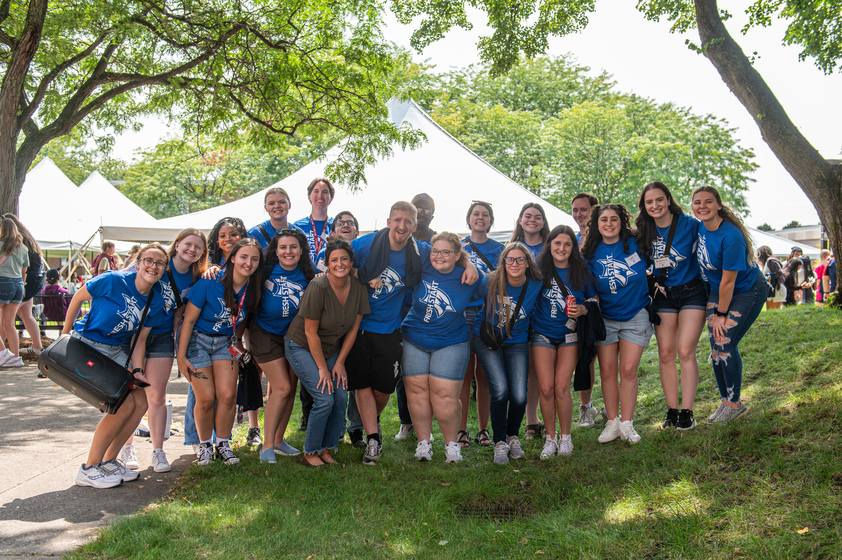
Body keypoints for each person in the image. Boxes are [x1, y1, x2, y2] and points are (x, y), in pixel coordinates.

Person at [346, 201, 478, 465]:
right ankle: (385, 438)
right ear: (388, 221)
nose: (402, 226)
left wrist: (469, 264)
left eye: (408, 222)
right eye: (397, 220)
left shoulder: (420, 251)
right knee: (375, 386)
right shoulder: (367, 244)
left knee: (388, 390)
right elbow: (337, 263)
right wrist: (360, 272)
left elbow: (449, 250)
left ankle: (365, 422)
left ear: (414, 227)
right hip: (362, 327)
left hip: (393, 328)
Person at [62, 244, 166, 488]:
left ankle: (109, 462)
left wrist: (138, 370)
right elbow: (77, 298)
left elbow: (139, 340)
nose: (153, 266)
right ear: (138, 262)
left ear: (164, 269)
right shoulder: (112, 280)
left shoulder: (156, 299)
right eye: (149, 260)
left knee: (141, 401)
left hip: (118, 351)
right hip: (90, 345)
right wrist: (63, 336)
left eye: (160, 263)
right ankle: (88, 468)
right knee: (122, 404)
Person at [120, 229, 208, 472]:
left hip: (161, 337)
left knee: (156, 395)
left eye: (198, 247)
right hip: (133, 335)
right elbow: (125, 283)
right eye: (188, 244)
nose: (192, 250)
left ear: (202, 253)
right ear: (177, 244)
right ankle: (126, 447)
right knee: (128, 393)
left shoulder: (196, 277)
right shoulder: (157, 264)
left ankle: (158, 451)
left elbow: (182, 314)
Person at [177, 238, 265, 466]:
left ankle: (223, 445)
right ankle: (205, 445)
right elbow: (188, 321)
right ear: (233, 258)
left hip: (226, 343)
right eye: (244, 257)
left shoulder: (253, 288)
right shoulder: (210, 281)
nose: (248, 263)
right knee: (205, 398)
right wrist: (181, 356)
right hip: (198, 342)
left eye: (254, 259)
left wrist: (238, 343)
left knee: (227, 395)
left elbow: (244, 319)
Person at [284, 239, 370, 466]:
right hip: (301, 345)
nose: (339, 264)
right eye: (334, 260)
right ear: (327, 264)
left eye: (344, 259)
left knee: (341, 396)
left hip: (332, 349)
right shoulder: (319, 287)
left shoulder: (359, 287)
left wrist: (340, 362)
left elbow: (353, 329)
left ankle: (327, 448)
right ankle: (310, 452)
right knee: (324, 397)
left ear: (351, 262)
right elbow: (310, 333)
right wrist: (323, 368)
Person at [402, 232, 486, 463]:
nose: (439, 256)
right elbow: (404, 239)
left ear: (457, 255)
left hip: (451, 340)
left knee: (445, 395)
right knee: (417, 392)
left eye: (446, 252)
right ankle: (424, 444)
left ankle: (452, 445)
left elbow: (497, 289)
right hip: (414, 337)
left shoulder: (469, 277)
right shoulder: (422, 265)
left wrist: (471, 265)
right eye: (435, 251)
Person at [636, 182, 706, 430]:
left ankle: (687, 411)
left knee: (685, 350)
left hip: (691, 293)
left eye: (659, 200)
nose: (654, 206)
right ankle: (672, 410)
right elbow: (635, 263)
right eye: (649, 202)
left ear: (668, 199)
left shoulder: (690, 225)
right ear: (644, 206)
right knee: (666, 353)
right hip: (663, 296)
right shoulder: (642, 230)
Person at [693, 186, 766, 423]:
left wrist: (722, 314)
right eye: (697, 202)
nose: (702, 206)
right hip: (718, 290)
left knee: (725, 341)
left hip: (746, 290)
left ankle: (735, 404)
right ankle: (725, 401)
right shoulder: (700, 227)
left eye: (708, 202)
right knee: (716, 346)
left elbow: (729, 281)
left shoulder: (731, 236)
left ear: (719, 205)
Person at [582, 203, 653, 444]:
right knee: (609, 371)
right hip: (605, 318)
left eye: (614, 219)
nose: (609, 223)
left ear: (622, 222)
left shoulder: (636, 243)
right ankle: (612, 422)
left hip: (636, 313)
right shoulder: (590, 251)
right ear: (597, 224)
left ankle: (627, 422)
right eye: (604, 220)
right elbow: (590, 289)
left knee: (629, 370)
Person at [250, 229, 316, 463]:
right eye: (283, 247)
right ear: (276, 251)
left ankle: (278, 440)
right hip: (264, 333)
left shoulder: (310, 273)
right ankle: (266, 447)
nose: (288, 251)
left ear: (301, 250)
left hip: (294, 337)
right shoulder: (264, 271)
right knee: (282, 388)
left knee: (291, 388)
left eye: (293, 247)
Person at [473, 243, 542, 464]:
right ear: (503, 262)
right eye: (510, 259)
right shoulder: (489, 281)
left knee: (520, 394)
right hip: (488, 338)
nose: (514, 263)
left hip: (517, 340)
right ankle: (499, 442)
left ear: (527, 263)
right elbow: (466, 290)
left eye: (520, 259)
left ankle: (513, 437)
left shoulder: (535, 284)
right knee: (500, 390)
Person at [532, 226, 595, 459]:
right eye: (557, 243)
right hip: (542, 334)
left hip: (570, 336)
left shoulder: (581, 270)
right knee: (546, 389)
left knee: (561, 387)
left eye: (567, 244)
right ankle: (550, 438)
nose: (562, 248)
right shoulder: (538, 269)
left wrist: (583, 308)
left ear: (573, 247)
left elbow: (594, 298)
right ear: (550, 244)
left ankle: (566, 438)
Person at [458, 201, 504, 448]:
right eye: (476, 214)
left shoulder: (500, 249)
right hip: (463, 312)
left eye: (485, 214)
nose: (480, 218)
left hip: (489, 314)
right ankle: (461, 430)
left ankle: (483, 430)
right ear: (468, 219)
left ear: (490, 221)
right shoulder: (459, 247)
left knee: (484, 374)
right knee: (464, 373)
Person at [509, 203, 550, 440]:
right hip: (519, 316)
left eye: (537, 217)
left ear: (543, 222)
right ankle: (530, 419)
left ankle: (542, 419)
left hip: (545, 313)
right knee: (526, 371)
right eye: (527, 216)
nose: (532, 220)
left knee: (542, 370)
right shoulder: (512, 248)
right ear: (520, 220)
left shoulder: (550, 246)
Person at [570, 192, 601, 427]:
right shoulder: (574, 239)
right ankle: (586, 407)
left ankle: (613, 407)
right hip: (587, 305)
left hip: (612, 304)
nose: (579, 214)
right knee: (586, 356)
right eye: (575, 210)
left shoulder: (605, 234)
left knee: (612, 362)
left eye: (584, 209)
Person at [2, 215, 45, 360]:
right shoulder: (29, 240)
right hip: (33, 280)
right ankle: (37, 347)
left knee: (5, 319)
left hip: (20, 280)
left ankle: (3, 353)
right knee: (26, 315)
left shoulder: (15, 241)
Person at [0, 218, 30, 367]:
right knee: (9, 324)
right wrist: (23, 286)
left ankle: (3, 354)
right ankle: (16, 358)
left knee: (6, 323)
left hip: (2, 283)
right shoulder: (22, 248)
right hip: (18, 285)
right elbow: (24, 271)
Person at [292, 178, 335, 264]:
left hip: (328, 275)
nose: (320, 195)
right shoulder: (298, 226)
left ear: (331, 197)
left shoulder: (336, 226)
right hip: (304, 274)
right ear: (309, 196)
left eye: (325, 192)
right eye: (316, 191)